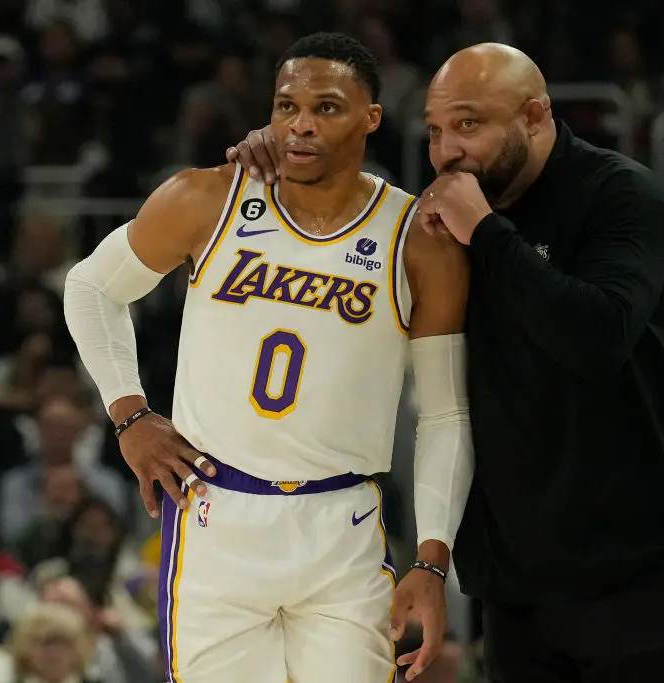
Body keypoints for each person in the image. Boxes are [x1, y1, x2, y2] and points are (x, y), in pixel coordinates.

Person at [228, 42, 664, 683]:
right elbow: (334, 265)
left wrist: (488, 233)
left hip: (645, 575)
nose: (447, 151)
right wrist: (280, 152)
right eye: (436, 130)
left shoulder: (622, 197)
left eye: (469, 124)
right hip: (520, 586)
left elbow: (597, 338)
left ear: (534, 116)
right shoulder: (446, 221)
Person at [65, 32, 474, 683]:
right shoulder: (211, 197)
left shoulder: (417, 240)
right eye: (287, 107)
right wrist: (129, 413)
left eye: (327, 107)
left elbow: (446, 413)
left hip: (341, 526)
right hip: (215, 513)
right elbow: (90, 287)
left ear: (372, 117)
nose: (302, 125)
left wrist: (431, 558)